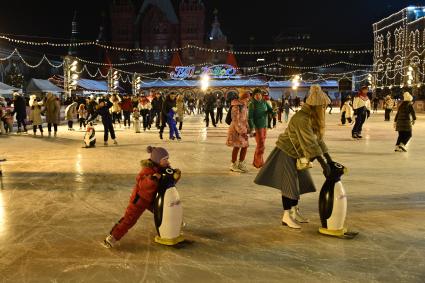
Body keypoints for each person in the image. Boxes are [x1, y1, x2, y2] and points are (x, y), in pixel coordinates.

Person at [254, 84, 332, 229]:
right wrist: (323, 163)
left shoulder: (311, 117)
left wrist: (329, 160)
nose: (325, 109)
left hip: (297, 154)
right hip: (285, 152)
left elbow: (318, 140)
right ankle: (286, 216)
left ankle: (295, 212)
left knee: (300, 183)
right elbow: (310, 143)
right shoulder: (302, 118)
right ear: (317, 106)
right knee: (289, 186)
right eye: (323, 106)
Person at [103, 146, 180, 248]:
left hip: (153, 199)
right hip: (140, 199)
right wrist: (152, 179)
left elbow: (169, 181)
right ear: (157, 160)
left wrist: (175, 176)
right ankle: (113, 237)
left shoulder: (165, 168)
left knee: (166, 211)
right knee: (130, 219)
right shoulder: (147, 170)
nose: (167, 161)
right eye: (165, 159)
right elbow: (142, 184)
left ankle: (174, 224)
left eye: (167, 158)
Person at [248, 88, 274, 169]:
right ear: (253, 96)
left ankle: (258, 161)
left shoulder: (264, 102)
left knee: (261, 145)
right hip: (257, 127)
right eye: (256, 95)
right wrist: (252, 127)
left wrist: (273, 112)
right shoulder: (252, 104)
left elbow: (270, 110)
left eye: (259, 94)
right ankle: (258, 163)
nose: (258, 96)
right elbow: (250, 117)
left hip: (264, 126)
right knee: (261, 144)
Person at [227, 92, 250, 173]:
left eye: (248, 98)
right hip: (236, 129)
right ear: (242, 98)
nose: (248, 100)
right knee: (237, 146)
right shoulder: (236, 106)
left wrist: (248, 127)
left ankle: (241, 163)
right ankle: (233, 164)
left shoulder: (244, 105)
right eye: (246, 98)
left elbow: (245, 118)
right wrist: (241, 130)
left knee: (245, 146)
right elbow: (235, 119)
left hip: (243, 128)